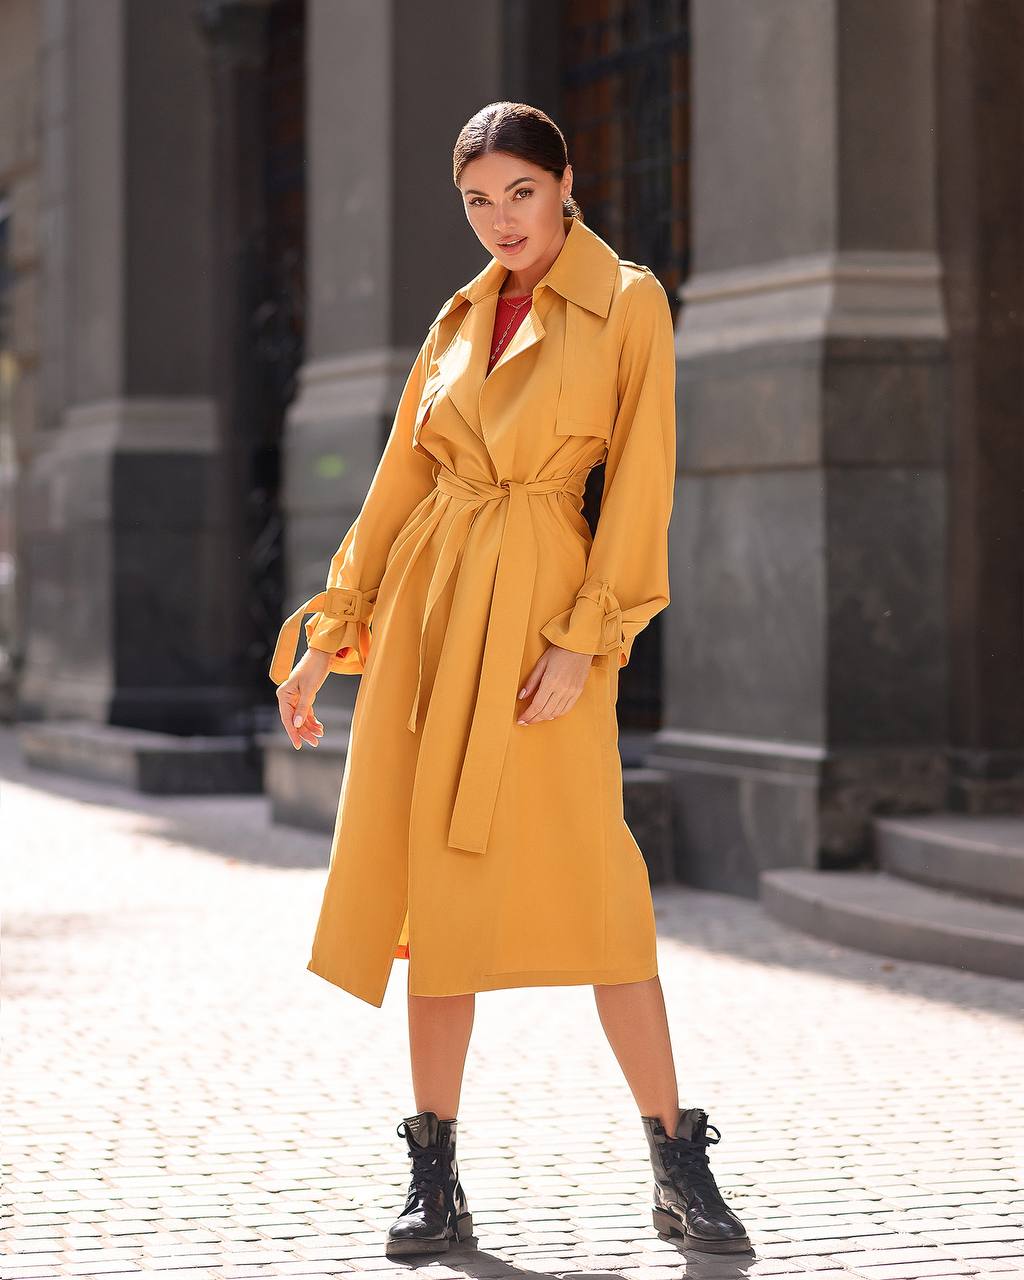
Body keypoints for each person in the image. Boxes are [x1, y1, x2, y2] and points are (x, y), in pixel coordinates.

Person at [269, 101, 750, 1259]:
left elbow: (641, 477)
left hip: (544, 609)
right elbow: (396, 483)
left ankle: (677, 1162)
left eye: (518, 194)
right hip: (436, 614)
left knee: (602, 888)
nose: (500, 221)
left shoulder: (628, 301)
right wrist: (332, 632)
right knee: (438, 900)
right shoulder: (456, 322)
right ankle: (434, 1176)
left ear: (565, 182)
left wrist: (586, 638)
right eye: (478, 201)